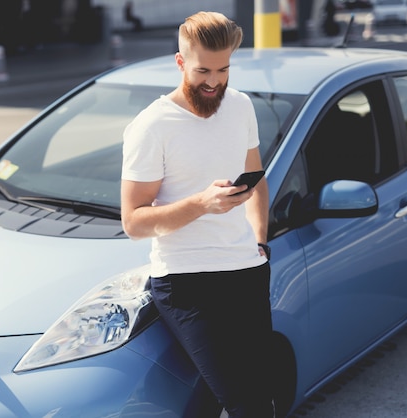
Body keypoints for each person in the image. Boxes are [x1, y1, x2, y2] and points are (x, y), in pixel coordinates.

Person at [120, 11, 274, 418]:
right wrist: (200, 204)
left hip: (246, 270)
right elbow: (133, 222)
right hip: (187, 282)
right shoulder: (152, 126)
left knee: (242, 398)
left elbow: (256, 179)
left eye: (223, 69)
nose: (214, 81)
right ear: (180, 62)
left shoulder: (240, 106)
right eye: (203, 70)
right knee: (247, 404)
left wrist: (259, 240)